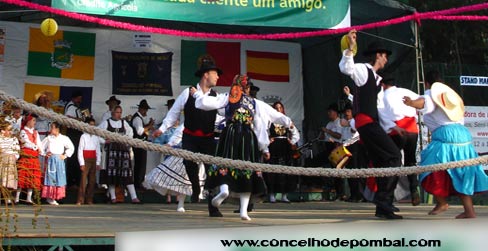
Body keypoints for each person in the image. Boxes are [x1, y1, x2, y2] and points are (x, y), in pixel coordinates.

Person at [192, 74, 293, 221]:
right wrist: (266, 145)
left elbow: (206, 103)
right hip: (247, 137)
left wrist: (197, 95)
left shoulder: (227, 97)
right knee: (247, 171)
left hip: (230, 135)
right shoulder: (255, 103)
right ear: (248, 87)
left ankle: (224, 192)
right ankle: (243, 211)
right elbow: (265, 121)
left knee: (226, 165)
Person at [339, 29, 403, 219]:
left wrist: (392, 126)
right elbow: (346, 68)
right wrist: (350, 48)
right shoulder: (363, 70)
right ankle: (384, 201)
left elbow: (379, 109)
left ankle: (383, 206)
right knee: (393, 158)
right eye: (384, 56)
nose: (386, 60)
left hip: (371, 123)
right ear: (378, 55)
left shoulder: (377, 80)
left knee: (385, 161)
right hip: (366, 124)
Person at [403, 77, 488, 219]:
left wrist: (411, 102)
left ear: (427, 84)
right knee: (462, 171)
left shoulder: (431, 94)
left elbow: (424, 103)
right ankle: (469, 211)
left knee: (429, 166)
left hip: (447, 136)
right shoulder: (451, 98)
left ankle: (442, 202)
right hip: (463, 136)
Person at [153, 55, 222, 216]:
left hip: (208, 138)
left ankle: (213, 207)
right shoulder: (187, 93)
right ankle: (195, 186)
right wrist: (162, 129)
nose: (218, 77)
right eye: (215, 73)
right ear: (206, 74)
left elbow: (222, 116)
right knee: (189, 163)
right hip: (190, 137)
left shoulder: (216, 97)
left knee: (212, 171)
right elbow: (173, 114)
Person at [379, 74, 421, 206]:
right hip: (412, 129)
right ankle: (414, 190)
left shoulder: (382, 96)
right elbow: (421, 101)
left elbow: (382, 115)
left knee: (393, 162)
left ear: (383, 85)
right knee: (411, 160)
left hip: (396, 129)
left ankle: (389, 197)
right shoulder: (406, 91)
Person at [98, 106, 142, 204]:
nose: (119, 114)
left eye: (120, 112)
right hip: (111, 153)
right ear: (113, 113)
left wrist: (125, 140)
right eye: (117, 112)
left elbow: (130, 134)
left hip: (123, 152)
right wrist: (105, 141)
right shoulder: (106, 123)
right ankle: (113, 197)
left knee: (127, 174)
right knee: (112, 175)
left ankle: (134, 197)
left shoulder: (124, 123)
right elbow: (97, 135)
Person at [145, 125, 190, 212]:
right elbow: (176, 136)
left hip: (192, 155)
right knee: (170, 177)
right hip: (176, 155)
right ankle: (170, 198)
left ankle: (181, 203)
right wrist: (169, 144)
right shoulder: (181, 127)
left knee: (186, 180)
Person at [265, 101, 300, 203]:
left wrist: (291, 141)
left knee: (285, 171)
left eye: (280, 107)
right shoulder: (269, 121)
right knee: (272, 171)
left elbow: (295, 133)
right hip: (274, 146)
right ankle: (272, 194)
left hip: (285, 147)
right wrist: (268, 140)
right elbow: (264, 133)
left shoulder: (286, 120)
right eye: (276, 108)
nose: (278, 109)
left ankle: (284, 195)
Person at [41, 122, 75, 205]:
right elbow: (41, 147)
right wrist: (45, 154)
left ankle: (57, 196)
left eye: (52, 128)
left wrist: (65, 155)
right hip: (51, 160)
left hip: (59, 160)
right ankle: (50, 197)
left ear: (57, 129)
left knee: (58, 177)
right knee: (51, 178)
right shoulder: (48, 138)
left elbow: (71, 147)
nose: (50, 129)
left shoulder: (64, 138)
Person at [340, 103, 366, 202]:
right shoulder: (344, 122)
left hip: (355, 147)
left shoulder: (355, 121)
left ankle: (360, 195)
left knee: (356, 171)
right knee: (349, 172)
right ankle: (353, 194)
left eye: (348, 111)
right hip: (346, 147)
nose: (346, 114)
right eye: (345, 112)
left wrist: (348, 124)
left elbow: (355, 132)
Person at [15, 114, 43, 205]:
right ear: (29, 121)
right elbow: (26, 142)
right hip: (26, 156)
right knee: (22, 176)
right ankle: (17, 198)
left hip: (33, 157)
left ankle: (29, 198)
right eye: (33, 120)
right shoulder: (23, 131)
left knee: (32, 176)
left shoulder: (35, 132)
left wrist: (42, 151)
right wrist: (35, 147)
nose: (35, 123)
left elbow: (39, 143)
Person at [321, 103, 345, 200]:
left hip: (336, 147)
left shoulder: (339, 122)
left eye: (330, 111)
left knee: (337, 170)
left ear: (335, 113)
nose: (329, 113)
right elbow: (325, 137)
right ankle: (330, 191)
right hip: (327, 146)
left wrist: (327, 131)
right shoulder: (329, 123)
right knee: (327, 169)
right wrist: (323, 134)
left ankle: (340, 193)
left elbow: (339, 136)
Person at [76, 118, 101, 205]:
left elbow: (98, 150)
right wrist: (82, 163)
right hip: (85, 158)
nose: (92, 127)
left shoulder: (96, 136)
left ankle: (89, 199)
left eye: (93, 125)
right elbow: (80, 150)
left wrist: (98, 162)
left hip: (93, 158)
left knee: (92, 180)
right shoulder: (83, 136)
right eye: (90, 125)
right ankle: (80, 199)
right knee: (83, 180)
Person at [130, 99, 155, 188]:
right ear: (142, 109)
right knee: (140, 164)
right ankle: (138, 183)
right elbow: (140, 131)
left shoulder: (139, 118)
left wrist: (148, 124)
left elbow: (142, 128)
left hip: (141, 144)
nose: (146, 112)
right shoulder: (137, 118)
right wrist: (150, 125)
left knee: (141, 164)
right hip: (138, 144)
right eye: (145, 110)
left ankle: (139, 182)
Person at [64, 90, 84, 188]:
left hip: (77, 134)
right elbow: (67, 118)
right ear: (74, 98)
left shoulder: (76, 108)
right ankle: (71, 180)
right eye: (78, 99)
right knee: (73, 156)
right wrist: (79, 120)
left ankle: (75, 179)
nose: (80, 101)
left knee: (76, 156)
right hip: (73, 133)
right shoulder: (71, 107)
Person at [0, 121, 20, 204]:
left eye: (10, 130)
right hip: (2, 159)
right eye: (8, 130)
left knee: (9, 180)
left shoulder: (14, 139)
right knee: (2, 179)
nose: (9, 132)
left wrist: (15, 156)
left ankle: (7, 197)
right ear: (3, 130)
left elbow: (17, 149)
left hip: (11, 159)